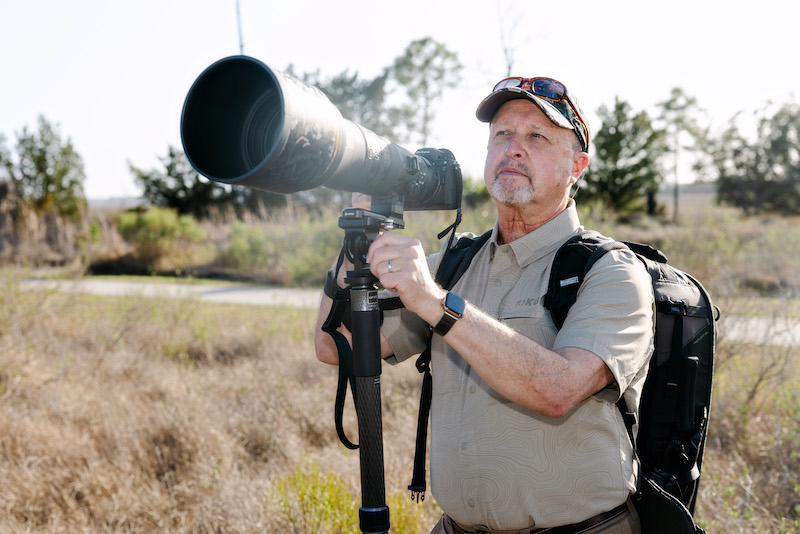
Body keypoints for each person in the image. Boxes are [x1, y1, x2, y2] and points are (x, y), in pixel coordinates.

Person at [315, 76, 654, 534]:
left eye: (537, 137)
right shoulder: (454, 266)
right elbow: (337, 347)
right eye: (502, 135)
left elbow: (557, 389)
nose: (514, 148)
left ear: (576, 166)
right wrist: (357, 236)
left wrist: (435, 303)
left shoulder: (611, 271)